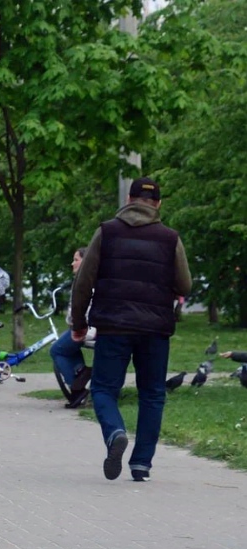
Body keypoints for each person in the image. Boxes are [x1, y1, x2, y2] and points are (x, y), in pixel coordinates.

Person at [71, 177, 192, 482]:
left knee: (102, 388)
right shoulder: (170, 238)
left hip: (113, 325)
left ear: (129, 198)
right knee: (152, 394)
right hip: (155, 328)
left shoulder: (106, 232)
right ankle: (141, 464)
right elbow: (185, 285)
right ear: (158, 204)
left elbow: (83, 282)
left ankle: (115, 433)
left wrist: (79, 323)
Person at [50, 247, 94, 409]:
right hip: (87, 327)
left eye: (76, 259)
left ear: (85, 261)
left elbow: (85, 307)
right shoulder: (91, 278)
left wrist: (75, 323)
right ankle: (81, 373)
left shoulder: (85, 281)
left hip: (86, 328)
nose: (72, 263)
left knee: (56, 350)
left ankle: (76, 388)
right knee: (69, 347)